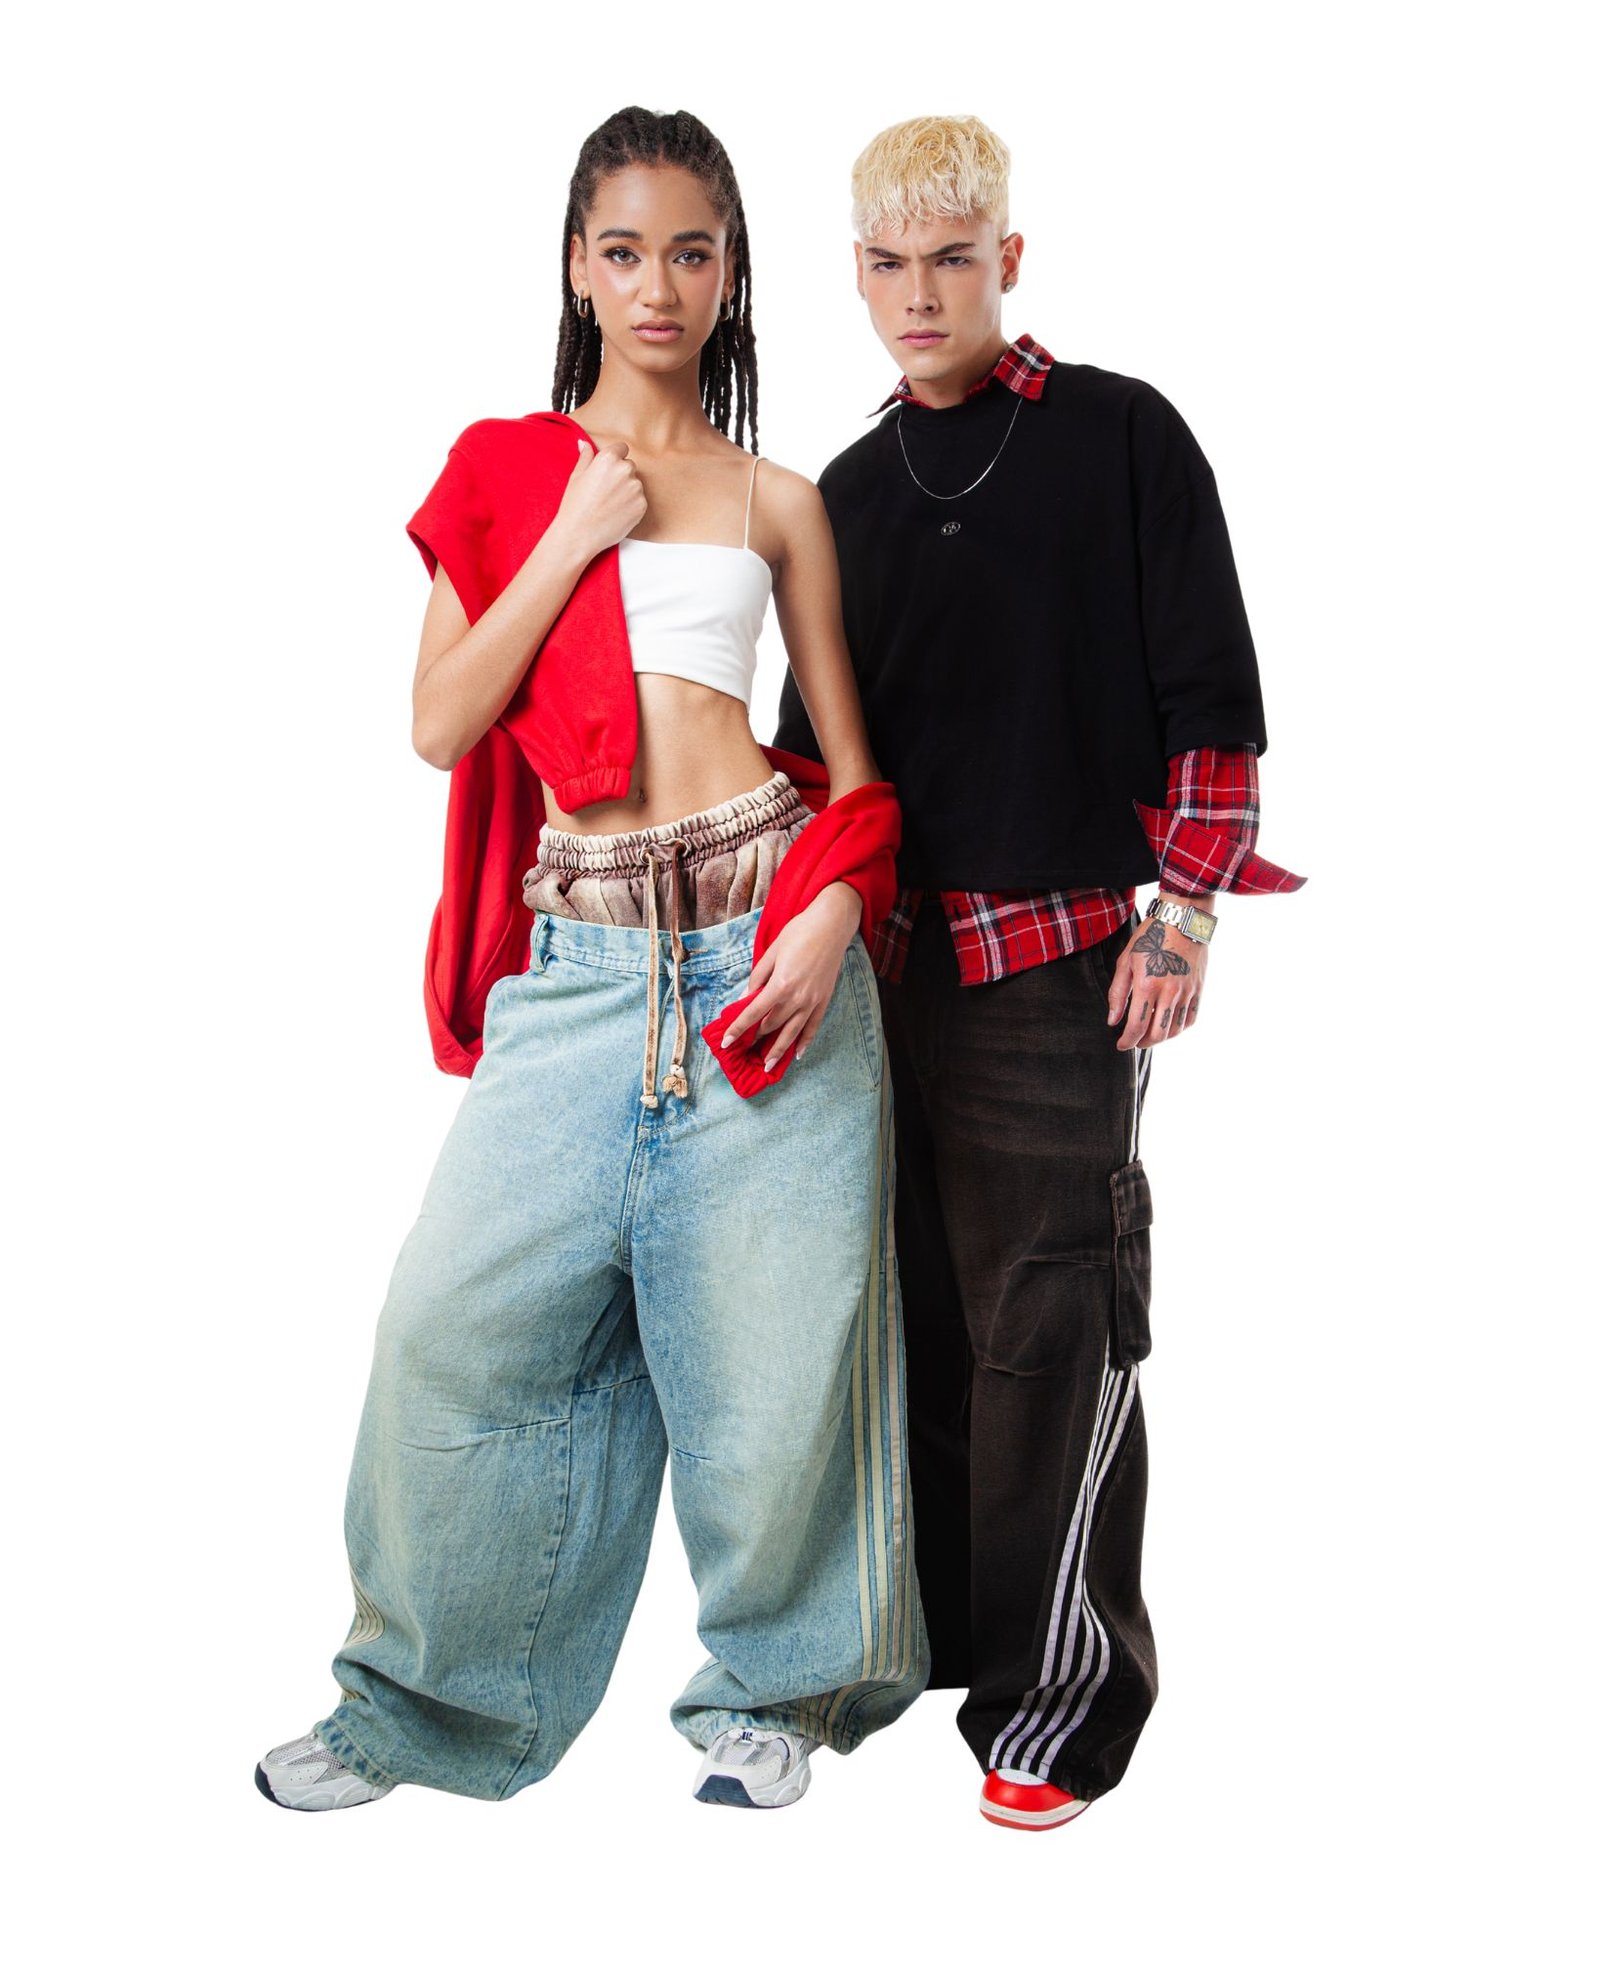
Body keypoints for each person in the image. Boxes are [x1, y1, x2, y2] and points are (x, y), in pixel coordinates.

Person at [257, 105, 926, 1815]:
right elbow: (438, 723)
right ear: (575, 265)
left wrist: (835, 908)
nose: (657, 286)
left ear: (731, 275)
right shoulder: (503, 471)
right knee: (450, 1331)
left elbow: (852, 773)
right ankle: (418, 1709)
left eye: (691, 253)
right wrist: (573, 530)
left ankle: (778, 1698)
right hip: (578, 968)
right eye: (624, 251)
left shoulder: (779, 500)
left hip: (763, 951)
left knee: (778, 1365)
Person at [774, 113, 1304, 1831]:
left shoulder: (1120, 435)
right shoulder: (844, 494)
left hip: (1061, 967)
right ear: (857, 276)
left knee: (1053, 1328)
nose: (920, 293)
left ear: (1008, 258)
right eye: (888, 264)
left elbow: (1209, 692)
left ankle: (1057, 1700)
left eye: (952, 258)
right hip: (884, 979)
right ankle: (921, 1646)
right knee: (907, 1326)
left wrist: (1186, 913)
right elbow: (815, 763)